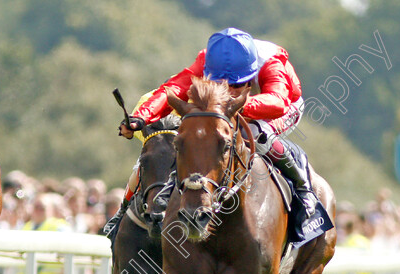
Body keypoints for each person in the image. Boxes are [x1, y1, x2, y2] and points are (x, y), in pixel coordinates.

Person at [106, 27, 326, 242]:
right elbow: (172, 89)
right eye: (220, 83)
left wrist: (228, 104)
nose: (228, 89)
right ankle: (126, 208)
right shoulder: (206, 60)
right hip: (226, 109)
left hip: (283, 107)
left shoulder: (271, 63)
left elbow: (277, 102)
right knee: (190, 136)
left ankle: (302, 186)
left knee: (257, 133)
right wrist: (141, 117)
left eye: (236, 84)